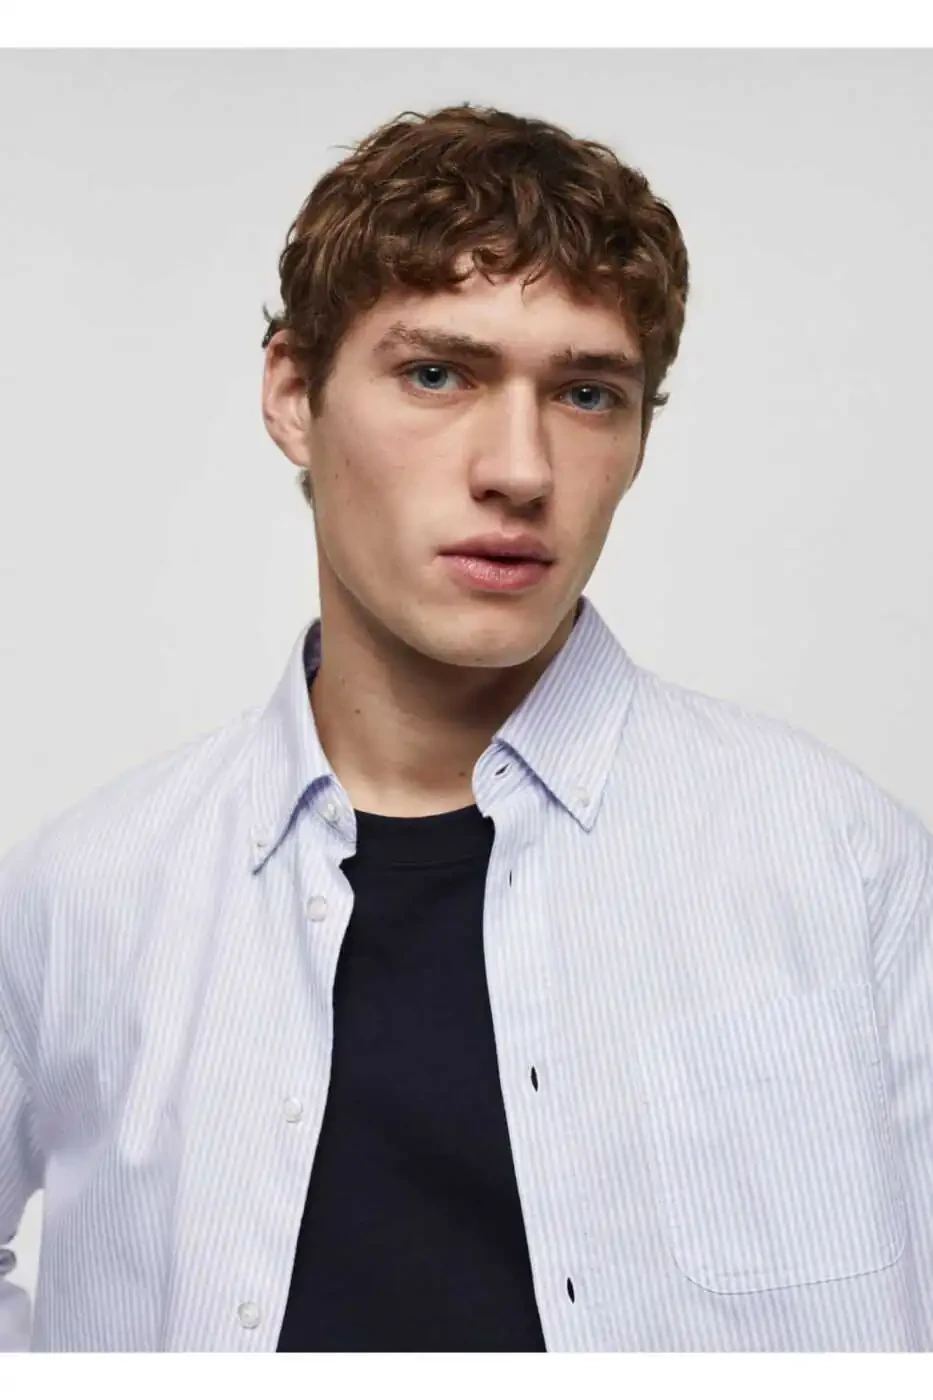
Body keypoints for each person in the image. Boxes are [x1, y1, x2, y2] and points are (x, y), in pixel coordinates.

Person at [1, 100, 931, 1355]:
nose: (521, 468)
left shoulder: (841, 860)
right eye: (438, 374)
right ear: (294, 393)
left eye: (588, 392)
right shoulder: (88, 890)